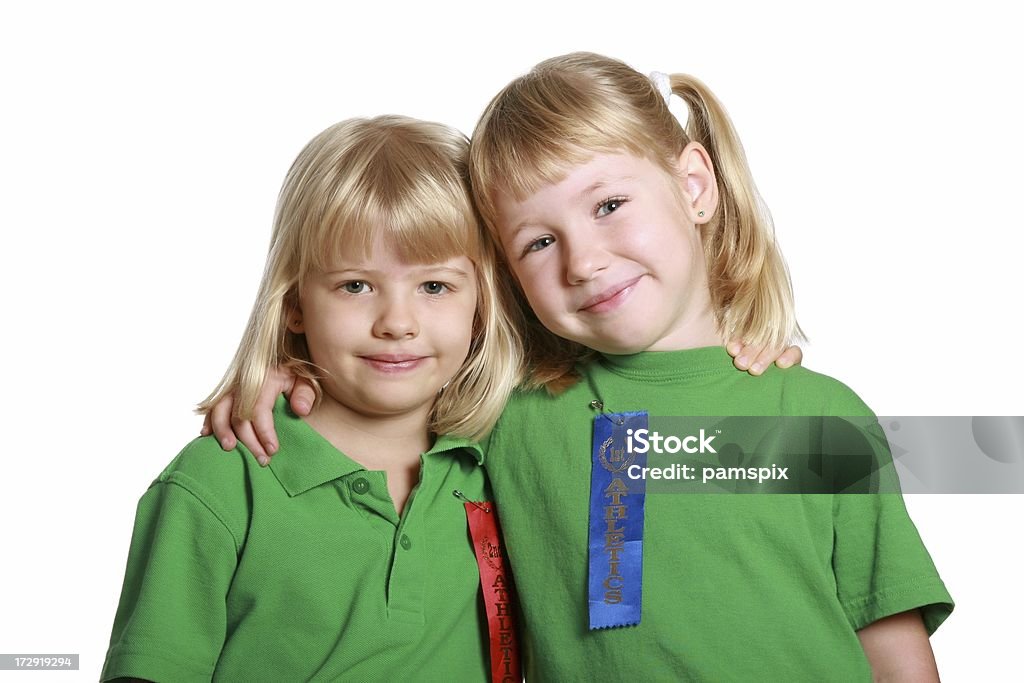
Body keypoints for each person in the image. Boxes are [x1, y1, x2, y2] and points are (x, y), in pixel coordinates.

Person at [208, 52, 942, 680]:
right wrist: (289, 371)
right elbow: (383, 394)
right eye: (537, 242)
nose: (584, 260)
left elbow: (893, 648)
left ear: (693, 186)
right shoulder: (505, 413)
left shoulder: (819, 415)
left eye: (610, 203)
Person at [101, 116, 523, 681]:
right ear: (295, 300)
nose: (397, 322)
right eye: (356, 285)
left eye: (434, 286)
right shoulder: (220, 481)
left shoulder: (501, 457)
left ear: (481, 306)